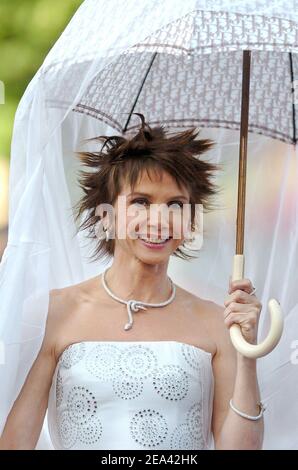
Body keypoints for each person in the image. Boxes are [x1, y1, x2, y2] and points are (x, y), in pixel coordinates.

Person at [0, 114, 264, 450]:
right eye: (141, 201)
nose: (160, 219)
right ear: (105, 214)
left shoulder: (217, 322)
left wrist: (248, 355)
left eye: (176, 204)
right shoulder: (54, 313)